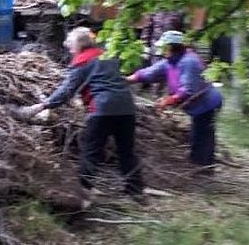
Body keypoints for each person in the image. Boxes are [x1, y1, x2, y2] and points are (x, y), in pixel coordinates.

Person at [20, 27, 145, 197]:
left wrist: (43, 106)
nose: (69, 48)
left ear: (78, 45)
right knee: (126, 150)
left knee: (90, 147)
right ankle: (136, 191)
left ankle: (85, 189)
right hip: (126, 108)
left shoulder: (82, 61)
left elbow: (67, 90)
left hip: (102, 109)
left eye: (71, 44)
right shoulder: (108, 55)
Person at [127, 30, 223, 172]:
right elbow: (150, 72)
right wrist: (129, 79)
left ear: (172, 47)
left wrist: (168, 100)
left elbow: (187, 90)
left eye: (164, 47)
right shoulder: (170, 61)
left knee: (202, 135)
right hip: (197, 105)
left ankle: (203, 168)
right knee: (199, 134)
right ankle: (201, 165)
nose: (161, 50)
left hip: (206, 103)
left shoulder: (188, 61)